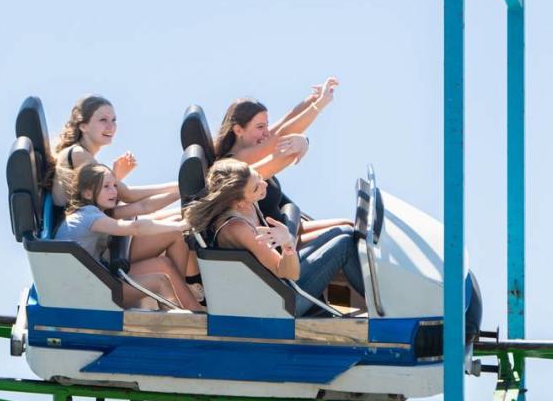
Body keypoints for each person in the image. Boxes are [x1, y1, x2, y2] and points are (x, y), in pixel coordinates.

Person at [51, 95, 203, 296]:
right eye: (103, 120)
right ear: (83, 125)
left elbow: (132, 206)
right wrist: (184, 184)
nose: (111, 126)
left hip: (105, 229)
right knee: (177, 230)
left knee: (179, 217)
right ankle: (183, 292)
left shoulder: (83, 157)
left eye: (114, 120)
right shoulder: (79, 155)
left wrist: (183, 187)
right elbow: (129, 196)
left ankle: (183, 290)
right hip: (100, 244)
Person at [184, 159, 364, 317]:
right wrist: (287, 245)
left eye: (259, 177)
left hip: (277, 287)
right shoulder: (238, 228)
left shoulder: (246, 203)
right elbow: (287, 272)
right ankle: (386, 312)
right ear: (239, 202)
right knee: (344, 245)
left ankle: (374, 298)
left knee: (343, 231)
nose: (265, 185)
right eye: (256, 187)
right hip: (279, 304)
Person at [213, 78, 353, 245]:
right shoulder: (235, 163)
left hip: (290, 228)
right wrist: (319, 106)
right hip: (279, 242)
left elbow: (284, 122)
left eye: (266, 126)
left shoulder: (253, 146)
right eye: (260, 127)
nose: (266, 132)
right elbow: (280, 137)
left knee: (350, 225)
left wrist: (312, 100)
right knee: (348, 234)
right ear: (238, 130)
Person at [57, 163, 203, 311]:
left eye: (115, 185)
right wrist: (181, 226)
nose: (114, 191)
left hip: (101, 276)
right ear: (88, 193)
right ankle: (186, 319)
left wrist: (182, 188)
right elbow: (136, 228)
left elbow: (144, 207)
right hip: (93, 290)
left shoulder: (99, 211)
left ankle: (189, 303)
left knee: (163, 264)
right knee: (161, 281)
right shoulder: (88, 216)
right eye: (106, 186)